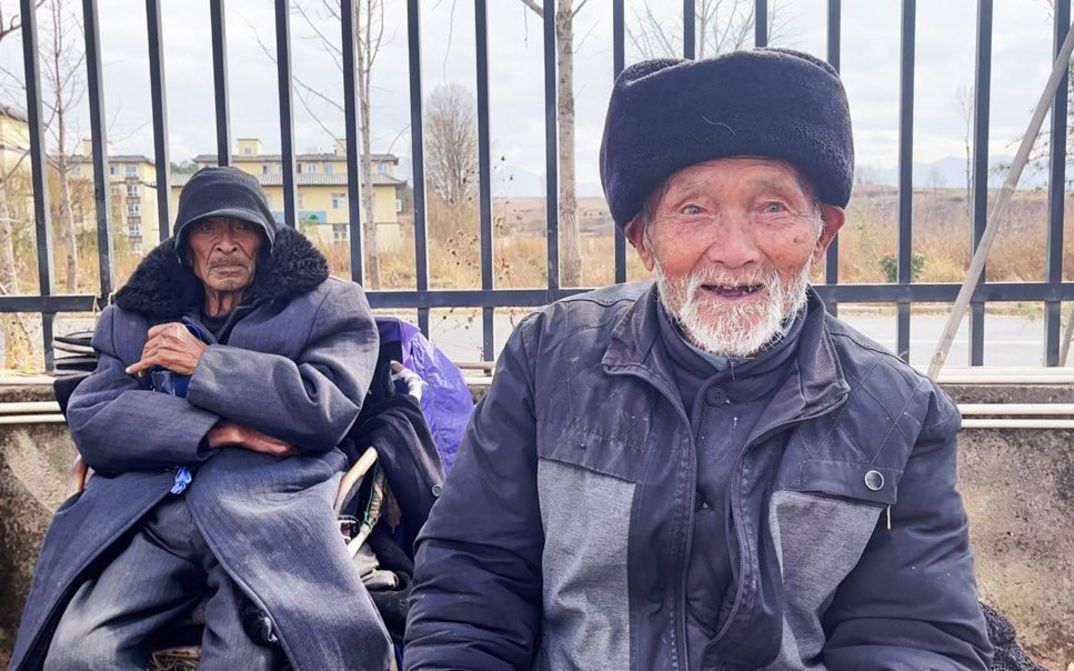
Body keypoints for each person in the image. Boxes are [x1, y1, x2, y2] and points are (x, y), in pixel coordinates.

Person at [404, 49, 993, 670]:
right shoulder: (551, 358)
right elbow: (474, 583)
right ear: (643, 237)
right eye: (693, 210)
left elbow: (914, 638)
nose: (735, 250)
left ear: (822, 232)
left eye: (773, 207)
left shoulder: (900, 412)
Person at [11, 166, 394, 670]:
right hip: (150, 513)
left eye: (242, 229)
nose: (227, 244)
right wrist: (216, 430)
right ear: (186, 246)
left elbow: (323, 408)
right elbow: (97, 416)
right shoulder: (135, 313)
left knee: (246, 653)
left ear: (266, 239)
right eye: (209, 229)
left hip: (269, 512)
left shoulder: (325, 303)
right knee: (77, 651)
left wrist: (205, 363)